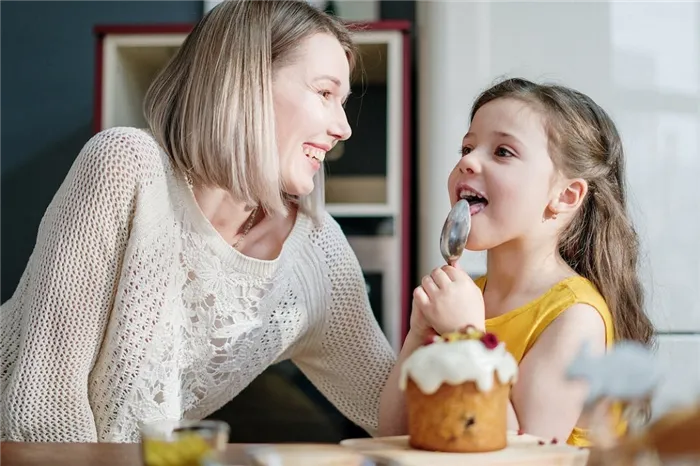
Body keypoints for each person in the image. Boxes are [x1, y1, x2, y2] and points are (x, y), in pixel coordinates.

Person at [0, 0, 404, 442]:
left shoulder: (317, 252)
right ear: (244, 82)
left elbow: (391, 417)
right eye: (325, 93)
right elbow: (42, 409)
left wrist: (429, 331)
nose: (344, 128)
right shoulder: (126, 167)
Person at [385, 77, 656, 446]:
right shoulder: (470, 298)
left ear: (565, 195)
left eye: (502, 152)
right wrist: (420, 335)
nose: (467, 161)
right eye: (467, 147)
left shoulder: (575, 317)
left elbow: (525, 452)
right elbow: (392, 434)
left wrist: (466, 337)